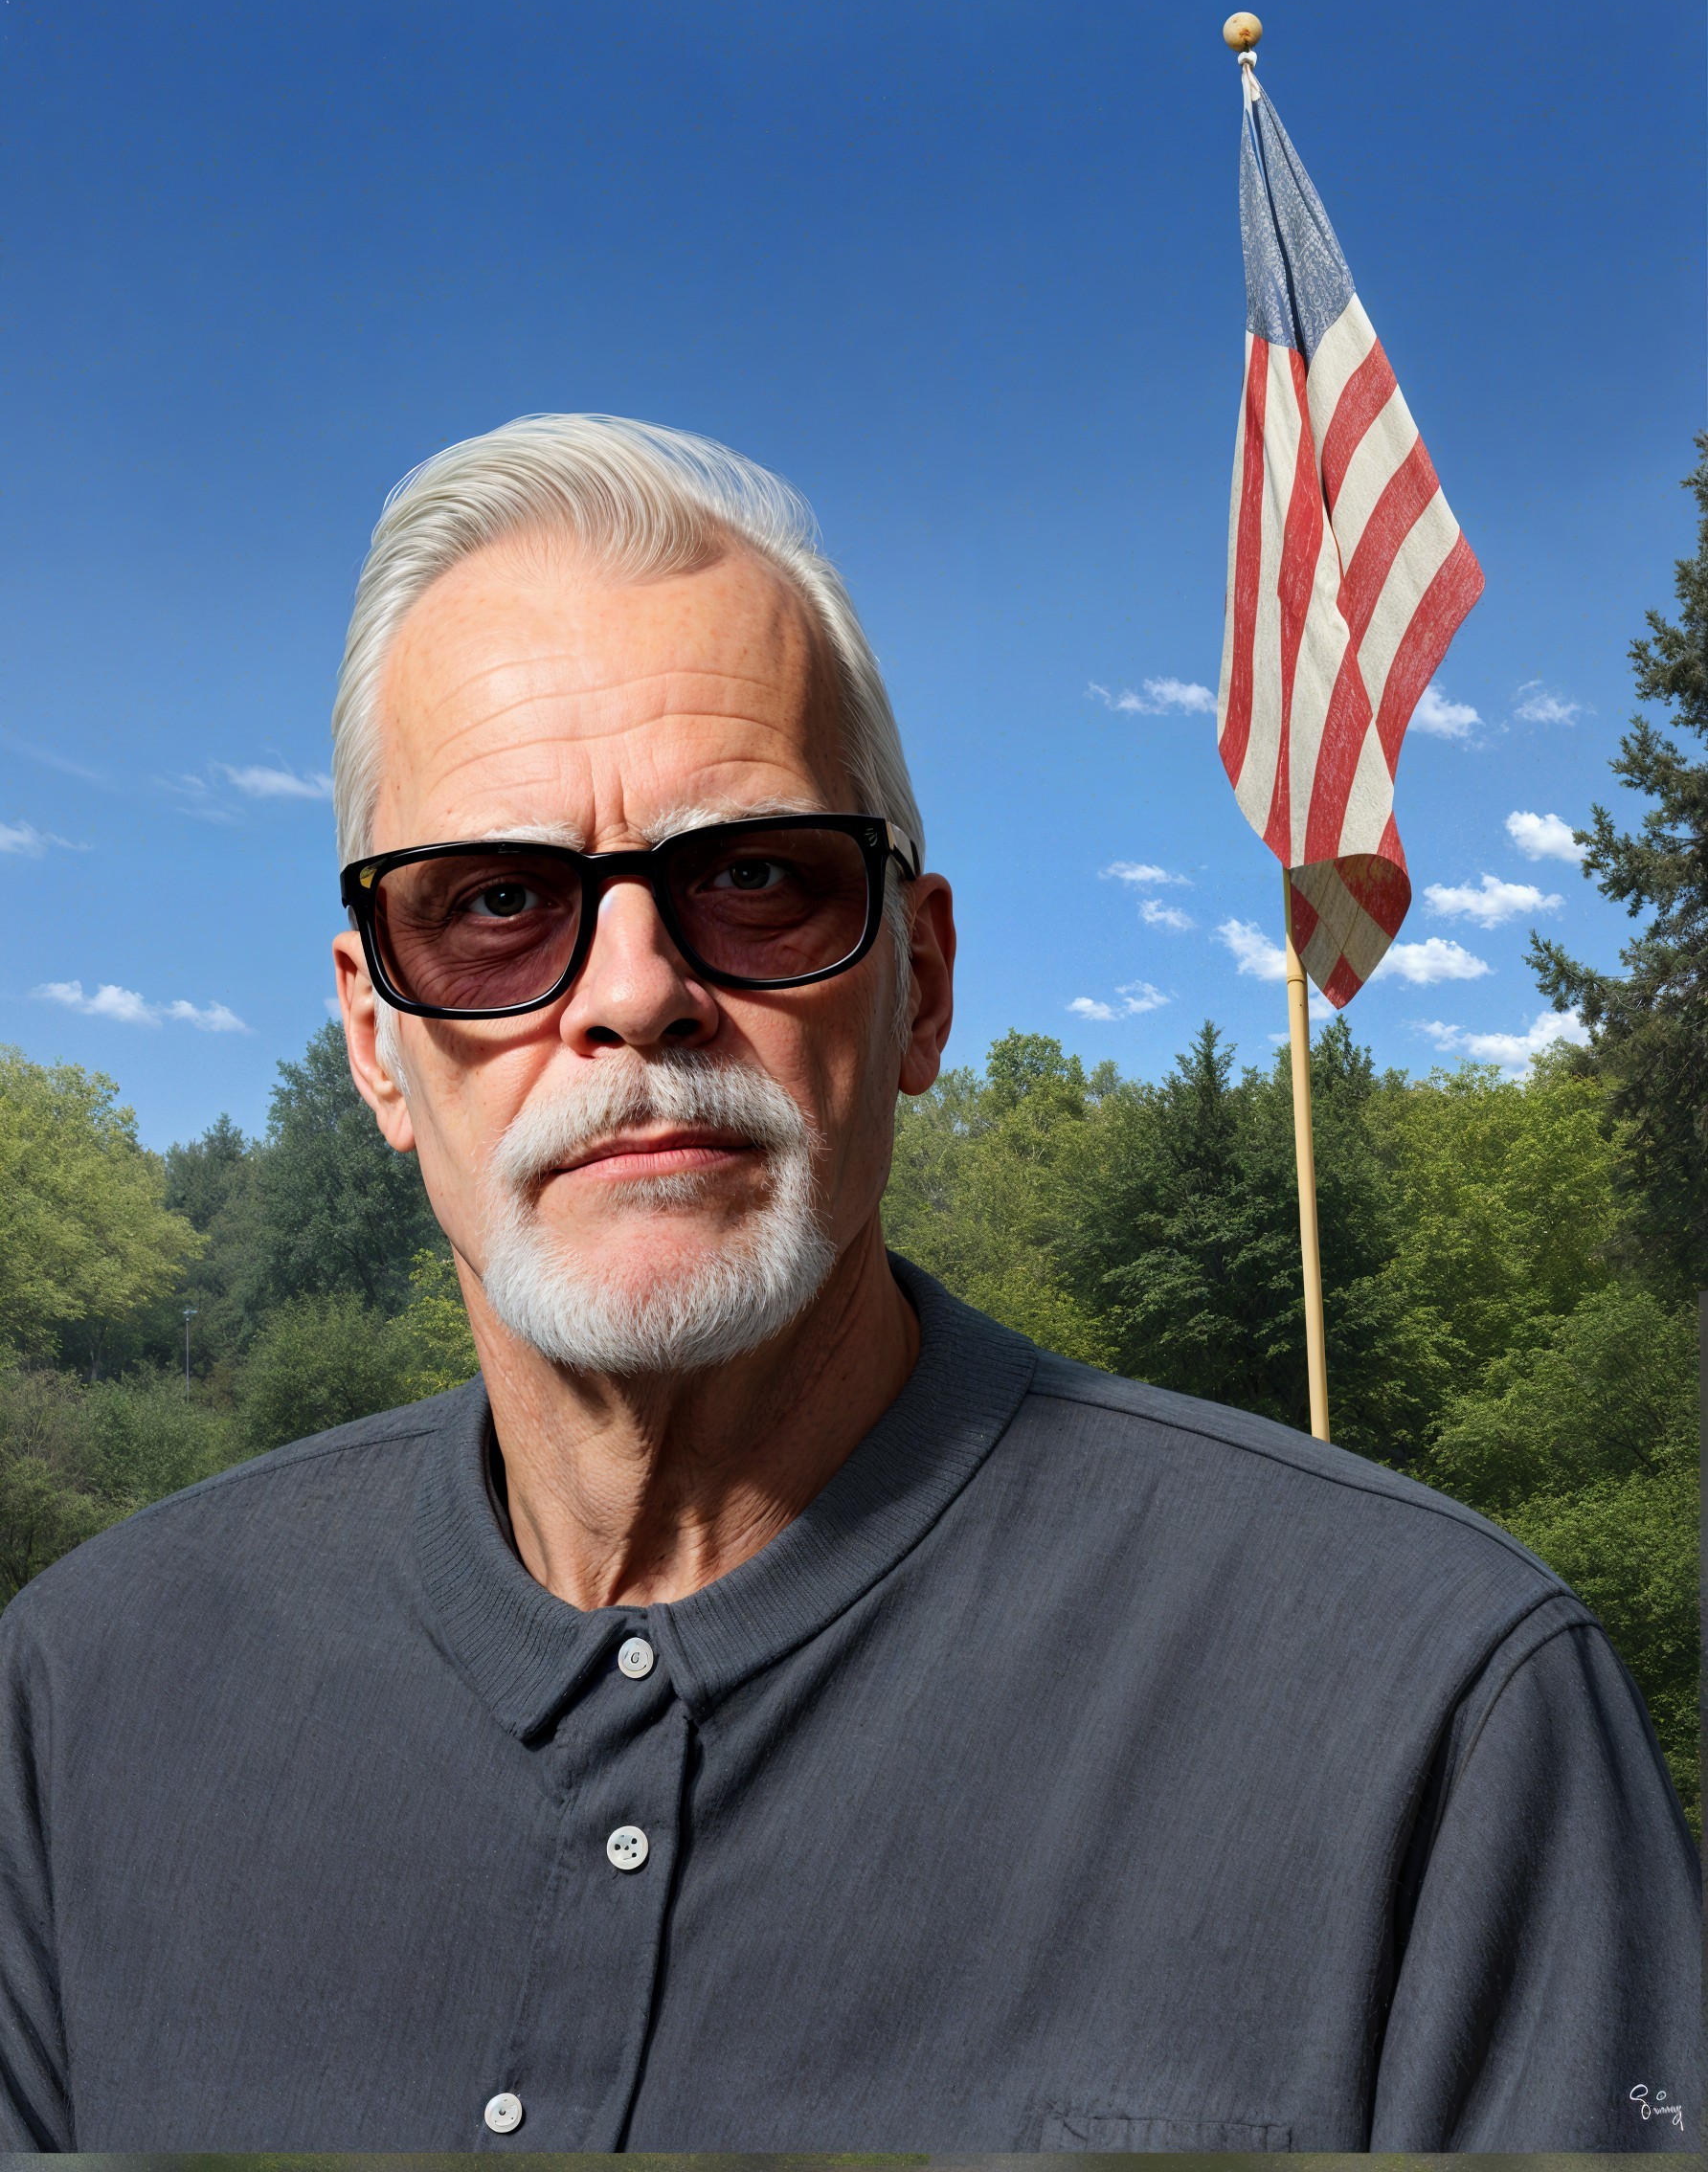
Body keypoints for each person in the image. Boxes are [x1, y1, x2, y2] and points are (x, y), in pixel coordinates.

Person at [0, 415, 1697, 2155]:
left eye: (751, 879)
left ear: (923, 984)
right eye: (498, 904)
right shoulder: (73, 1718)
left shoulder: (1439, 1717)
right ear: (375, 1039)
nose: (633, 993)